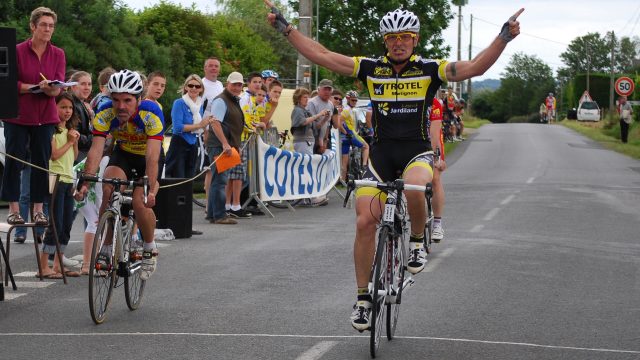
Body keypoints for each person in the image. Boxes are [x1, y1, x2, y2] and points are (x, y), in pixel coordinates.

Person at [266, 2, 522, 331]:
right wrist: (287, 29)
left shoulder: (431, 69)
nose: (398, 42)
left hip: (416, 152)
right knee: (363, 221)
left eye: (405, 37)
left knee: (416, 187)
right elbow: (323, 55)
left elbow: (474, 68)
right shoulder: (370, 67)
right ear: (384, 41)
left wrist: (503, 37)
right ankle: (362, 298)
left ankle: (417, 241)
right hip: (381, 155)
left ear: (415, 40)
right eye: (391, 38)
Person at [80, 69, 164, 281]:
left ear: (138, 98)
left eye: (127, 100)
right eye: (116, 100)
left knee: (139, 202)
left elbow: (153, 156)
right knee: (107, 188)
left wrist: (149, 187)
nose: (121, 106)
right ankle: (106, 247)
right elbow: (96, 149)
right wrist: (85, 181)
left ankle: (149, 246)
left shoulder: (151, 112)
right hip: (124, 154)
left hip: (147, 157)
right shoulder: (105, 111)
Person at [1, 6, 65, 226]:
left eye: (51, 25)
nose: (48, 29)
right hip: (17, 116)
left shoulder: (58, 53)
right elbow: (9, 83)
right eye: (44, 25)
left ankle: (38, 210)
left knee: (41, 164)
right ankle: (13, 208)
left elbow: (59, 87)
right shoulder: (17, 51)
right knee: (14, 161)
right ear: (33, 26)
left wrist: (51, 89)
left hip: (45, 116)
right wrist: (33, 87)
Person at [37, 92, 80, 279]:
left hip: (68, 179)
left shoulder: (68, 131)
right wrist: (70, 141)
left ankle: (57, 264)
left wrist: (74, 141)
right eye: (63, 107)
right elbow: (54, 155)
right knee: (55, 222)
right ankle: (43, 265)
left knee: (66, 224)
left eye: (70, 108)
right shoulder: (51, 130)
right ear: (54, 108)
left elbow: (74, 157)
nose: (67, 111)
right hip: (55, 179)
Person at [206, 72, 246, 225]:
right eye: (234, 84)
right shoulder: (222, 100)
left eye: (239, 85)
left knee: (218, 180)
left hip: (226, 146)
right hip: (220, 146)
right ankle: (220, 215)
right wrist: (224, 143)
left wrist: (235, 145)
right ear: (227, 84)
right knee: (220, 181)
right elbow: (215, 123)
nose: (237, 87)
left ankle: (213, 214)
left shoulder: (231, 100)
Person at [165, 74, 213, 178]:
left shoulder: (199, 105)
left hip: (193, 144)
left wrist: (205, 128)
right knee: (178, 178)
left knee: (189, 178)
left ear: (201, 89)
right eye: (191, 85)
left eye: (197, 86)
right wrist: (199, 125)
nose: (194, 88)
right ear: (186, 87)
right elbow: (178, 127)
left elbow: (200, 126)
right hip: (179, 143)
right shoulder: (179, 103)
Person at [202, 57, 224, 214]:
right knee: (210, 169)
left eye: (216, 66)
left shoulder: (220, 85)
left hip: (219, 131)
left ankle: (214, 204)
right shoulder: (201, 84)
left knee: (217, 169)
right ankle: (209, 205)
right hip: (207, 131)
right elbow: (200, 110)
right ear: (205, 68)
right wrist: (204, 130)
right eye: (210, 66)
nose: (213, 68)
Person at [340, 90, 370, 181]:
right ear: (348, 99)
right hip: (351, 134)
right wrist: (346, 132)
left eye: (356, 100)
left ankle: (343, 180)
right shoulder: (347, 110)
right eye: (353, 100)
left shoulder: (349, 109)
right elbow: (339, 122)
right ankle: (364, 166)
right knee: (366, 147)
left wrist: (344, 133)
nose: (355, 102)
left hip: (344, 138)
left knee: (344, 162)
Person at [291, 87, 328, 154]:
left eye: (308, 97)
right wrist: (318, 115)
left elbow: (317, 127)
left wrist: (325, 119)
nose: (307, 99)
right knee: (305, 163)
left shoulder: (305, 111)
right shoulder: (297, 110)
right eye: (305, 97)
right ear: (298, 98)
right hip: (302, 142)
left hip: (307, 142)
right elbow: (303, 122)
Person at [68, 70, 94, 163]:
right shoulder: (72, 104)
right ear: (73, 87)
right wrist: (95, 138)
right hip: (75, 154)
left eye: (89, 84)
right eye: (83, 84)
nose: (87, 88)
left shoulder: (81, 103)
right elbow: (74, 134)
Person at [307, 79, 338, 154]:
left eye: (329, 89)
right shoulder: (312, 102)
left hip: (322, 142)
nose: (327, 91)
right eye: (325, 89)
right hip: (310, 140)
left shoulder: (330, 104)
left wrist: (325, 142)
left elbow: (327, 124)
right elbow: (311, 125)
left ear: (331, 91)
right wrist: (319, 143)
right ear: (319, 89)